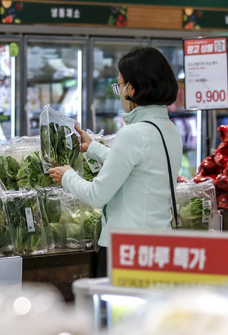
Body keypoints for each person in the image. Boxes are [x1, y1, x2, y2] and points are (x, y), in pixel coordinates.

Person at [48, 46, 182, 278]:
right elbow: (139, 169)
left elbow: (96, 195)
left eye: (118, 85)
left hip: (127, 250)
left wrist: (67, 175)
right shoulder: (170, 130)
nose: (119, 92)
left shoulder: (133, 134)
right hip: (160, 247)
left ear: (131, 88)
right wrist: (94, 148)